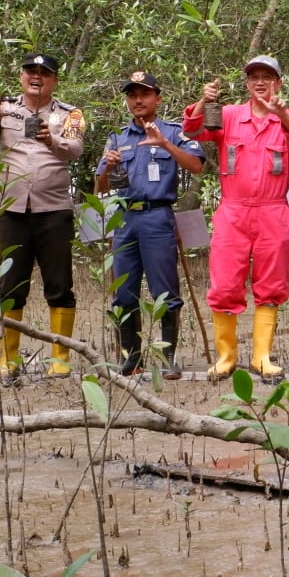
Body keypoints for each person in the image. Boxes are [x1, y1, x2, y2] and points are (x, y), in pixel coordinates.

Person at [183, 55, 289, 382]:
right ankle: (226, 358)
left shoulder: (287, 116)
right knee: (225, 283)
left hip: (273, 210)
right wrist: (203, 101)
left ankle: (261, 357)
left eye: (267, 76)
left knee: (271, 284)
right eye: (254, 76)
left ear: (278, 83)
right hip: (233, 210)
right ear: (246, 83)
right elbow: (192, 130)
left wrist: (278, 111)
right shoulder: (228, 115)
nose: (260, 82)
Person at [0, 51, 85, 379]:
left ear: (54, 80)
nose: (37, 76)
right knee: (9, 286)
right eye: (30, 71)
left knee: (60, 284)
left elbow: (75, 150)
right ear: (21, 76)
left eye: (44, 72)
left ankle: (59, 357)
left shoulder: (70, 114)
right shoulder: (4, 110)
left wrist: (53, 140)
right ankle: (10, 359)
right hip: (13, 211)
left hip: (54, 212)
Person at [96, 71, 204, 378]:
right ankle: (131, 357)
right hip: (125, 218)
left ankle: (168, 357)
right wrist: (110, 168)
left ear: (157, 97)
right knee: (124, 294)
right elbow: (99, 189)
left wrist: (164, 144)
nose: (138, 100)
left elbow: (196, 166)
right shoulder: (117, 138)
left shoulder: (173, 132)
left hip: (158, 217)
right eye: (132, 95)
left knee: (165, 291)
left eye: (144, 94)